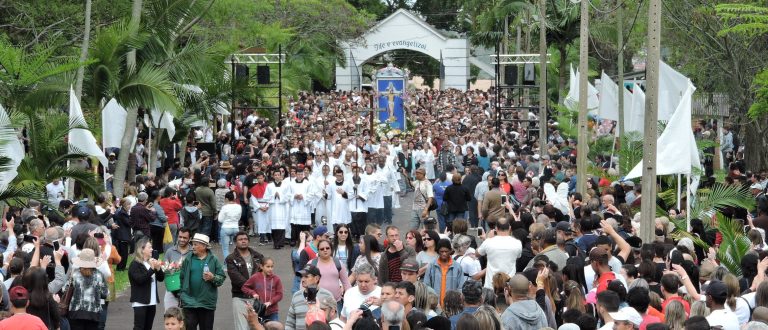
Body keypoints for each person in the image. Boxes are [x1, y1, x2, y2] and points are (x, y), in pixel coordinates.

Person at [178, 233, 227, 330]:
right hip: (189, 301)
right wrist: (182, 294)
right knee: (190, 327)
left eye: (196, 244)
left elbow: (221, 278)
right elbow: (182, 277)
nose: (193, 247)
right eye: (193, 244)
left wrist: (213, 278)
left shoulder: (214, 260)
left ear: (204, 246)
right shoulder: (188, 259)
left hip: (207, 302)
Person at [226, 231, 266, 330]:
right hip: (239, 297)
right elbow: (236, 278)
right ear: (235, 242)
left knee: (256, 326)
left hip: (256, 298)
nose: (243, 241)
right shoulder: (231, 259)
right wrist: (251, 288)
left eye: (245, 239)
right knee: (242, 328)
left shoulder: (258, 257)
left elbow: (264, 274)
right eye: (240, 239)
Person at [68, 248, 109, 330]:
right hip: (93, 312)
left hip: (76, 312)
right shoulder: (99, 275)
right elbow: (105, 293)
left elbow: (67, 289)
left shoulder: (74, 274)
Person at [129, 237, 165, 330]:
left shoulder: (151, 262)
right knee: (139, 327)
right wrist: (152, 269)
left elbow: (161, 279)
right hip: (140, 301)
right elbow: (140, 280)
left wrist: (158, 269)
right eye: (150, 247)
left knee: (148, 327)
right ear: (142, 249)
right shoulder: (135, 264)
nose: (152, 249)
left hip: (152, 301)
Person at [286, 265, 335, 330]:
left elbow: (334, 321)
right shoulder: (296, 296)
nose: (303, 279)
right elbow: (290, 322)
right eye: (302, 276)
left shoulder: (327, 295)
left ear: (316, 279)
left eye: (306, 276)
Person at [477, 218, 521, 289]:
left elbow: (477, 253)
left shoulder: (488, 242)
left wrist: (487, 239)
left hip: (490, 285)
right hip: (509, 284)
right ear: (509, 228)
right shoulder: (517, 243)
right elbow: (518, 256)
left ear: (496, 228)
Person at [423, 238, 466, 306]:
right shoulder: (432, 266)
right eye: (441, 251)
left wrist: (457, 302)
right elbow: (426, 285)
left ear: (450, 251)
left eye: (446, 251)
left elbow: (461, 287)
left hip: (452, 305)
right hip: (435, 305)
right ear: (438, 251)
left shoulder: (457, 267)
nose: (444, 254)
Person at [314, 239, 351, 312]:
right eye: (322, 249)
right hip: (317, 304)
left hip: (337, 303)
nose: (325, 250)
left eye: (327, 248)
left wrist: (349, 299)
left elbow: (346, 283)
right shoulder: (312, 264)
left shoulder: (338, 263)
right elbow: (304, 282)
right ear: (318, 250)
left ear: (331, 249)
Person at [242, 257, 284, 322]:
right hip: (259, 311)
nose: (270, 269)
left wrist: (270, 302)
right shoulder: (255, 277)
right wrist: (253, 293)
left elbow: (279, 295)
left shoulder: (276, 279)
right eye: (268, 267)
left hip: (273, 312)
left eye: (272, 267)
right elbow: (244, 287)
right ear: (261, 266)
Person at [164, 227, 192, 309]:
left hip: (189, 291)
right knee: (170, 317)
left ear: (190, 239)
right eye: (180, 237)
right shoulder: (170, 251)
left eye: (185, 238)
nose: (182, 239)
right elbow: (165, 269)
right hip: (172, 290)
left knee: (187, 320)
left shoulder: (193, 252)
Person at [266, 170, 291, 249]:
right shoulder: (269, 186)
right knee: (274, 226)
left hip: (282, 208)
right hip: (273, 208)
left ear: (281, 176)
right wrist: (274, 195)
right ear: (273, 176)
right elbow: (265, 197)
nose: (277, 176)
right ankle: (275, 242)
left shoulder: (285, 185)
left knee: (282, 225)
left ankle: (280, 242)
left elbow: (288, 196)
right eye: (275, 175)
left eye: (278, 175)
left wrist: (280, 196)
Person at [218, 191, 242, 258]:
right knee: (237, 248)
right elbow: (239, 217)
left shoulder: (224, 207)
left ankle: (227, 265)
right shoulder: (239, 206)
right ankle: (237, 263)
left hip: (226, 228)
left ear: (226, 199)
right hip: (235, 227)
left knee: (225, 249)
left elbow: (220, 219)